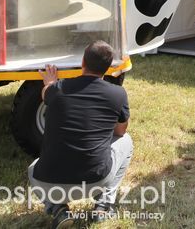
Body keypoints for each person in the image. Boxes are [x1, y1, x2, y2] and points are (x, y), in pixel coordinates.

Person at [28, 41, 133, 228]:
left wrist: (51, 82)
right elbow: (120, 131)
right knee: (126, 141)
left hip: (48, 183)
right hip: (96, 180)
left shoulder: (57, 89)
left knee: (32, 169)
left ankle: (58, 209)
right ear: (108, 68)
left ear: (83, 62)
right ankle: (103, 206)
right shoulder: (118, 94)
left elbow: (45, 94)